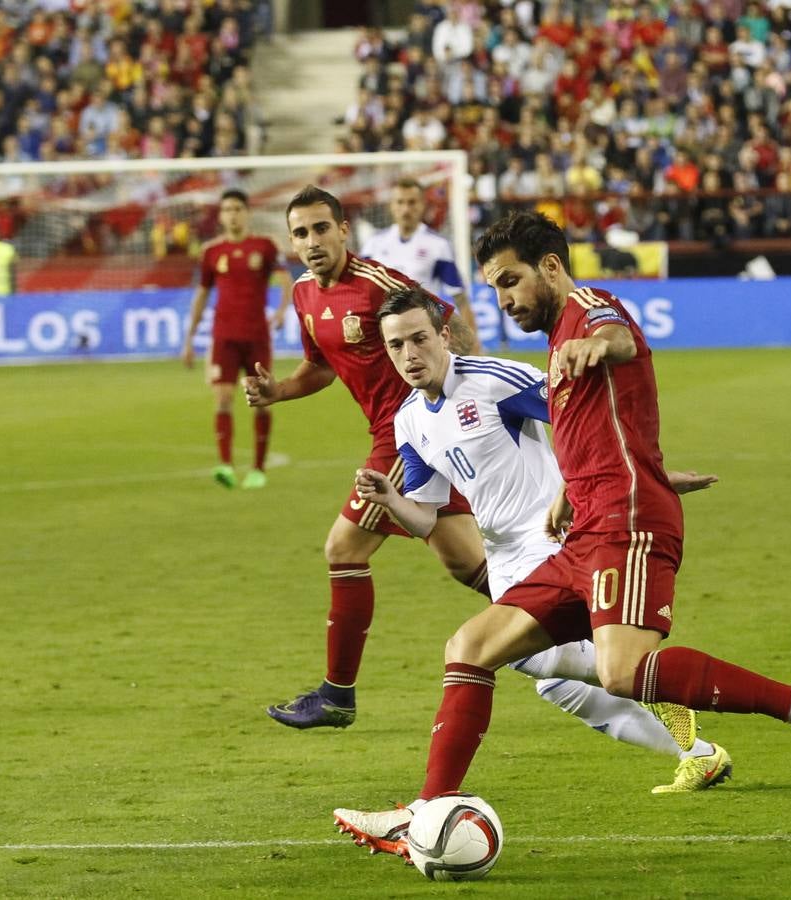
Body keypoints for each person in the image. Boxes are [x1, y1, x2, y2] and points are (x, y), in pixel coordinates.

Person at [332, 211, 791, 857]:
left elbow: (616, 335)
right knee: (470, 646)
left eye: (511, 282)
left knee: (619, 673)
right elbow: (588, 434)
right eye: (496, 287)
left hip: (628, 522)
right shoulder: (459, 394)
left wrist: (599, 349)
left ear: (551, 268)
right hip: (585, 523)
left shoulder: (586, 309)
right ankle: (426, 810)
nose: (503, 300)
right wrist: (569, 487)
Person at [349, 286, 732, 797]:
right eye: (396, 345)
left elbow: (590, 416)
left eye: (419, 339)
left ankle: (648, 680)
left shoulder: (492, 381)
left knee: (522, 655)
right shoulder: (410, 422)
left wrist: (646, 472)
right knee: (557, 685)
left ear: (444, 334)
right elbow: (429, 518)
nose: (409, 354)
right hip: (502, 555)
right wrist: (391, 499)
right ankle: (696, 752)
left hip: (555, 536)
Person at [245, 185, 484, 729]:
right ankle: (558, 617)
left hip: (410, 436)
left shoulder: (377, 283)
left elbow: (450, 326)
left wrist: (477, 396)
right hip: (397, 435)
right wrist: (277, 390)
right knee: (467, 565)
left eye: (321, 228)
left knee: (344, 547)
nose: (312, 241)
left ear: (344, 230)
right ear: (291, 241)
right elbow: (322, 366)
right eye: (301, 233)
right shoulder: (305, 295)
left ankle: (336, 695)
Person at [182, 189, 292, 489]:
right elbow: (202, 294)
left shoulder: (265, 246)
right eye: (227, 209)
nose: (232, 214)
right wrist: (190, 339)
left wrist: (282, 311)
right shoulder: (211, 252)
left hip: (257, 337)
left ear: (247, 213)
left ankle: (258, 468)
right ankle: (225, 465)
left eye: (237, 209)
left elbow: (286, 282)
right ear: (221, 215)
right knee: (223, 398)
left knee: (260, 401)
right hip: (223, 337)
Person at [359, 178, 482, 353]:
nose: (406, 209)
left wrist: (474, 344)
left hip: (421, 333)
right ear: (391, 206)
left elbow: (460, 298)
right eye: (400, 202)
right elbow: (359, 292)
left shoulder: (438, 245)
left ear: (423, 204)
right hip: (381, 334)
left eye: (412, 202)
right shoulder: (373, 245)